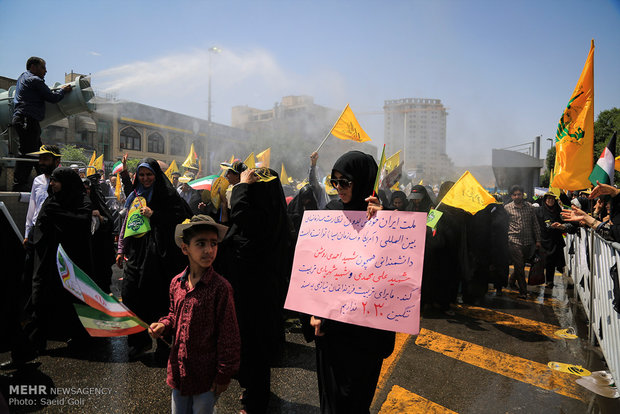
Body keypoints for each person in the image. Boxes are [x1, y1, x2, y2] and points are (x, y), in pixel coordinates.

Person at [305, 151, 395, 414]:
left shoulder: (383, 218)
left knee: (355, 401)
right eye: (335, 182)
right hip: (331, 328)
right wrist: (314, 310)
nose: (338, 188)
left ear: (363, 181)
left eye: (345, 182)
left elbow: (397, 270)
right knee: (331, 401)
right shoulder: (331, 213)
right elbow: (318, 268)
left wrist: (383, 223)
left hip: (366, 332)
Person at [214, 166, 294, 414]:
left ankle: (257, 402)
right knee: (248, 347)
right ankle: (252, 389)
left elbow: (242, 223)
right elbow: (233, 232)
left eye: (254, 188)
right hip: (250, 297)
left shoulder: (261, 221)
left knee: (255, 349)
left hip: (256, 298)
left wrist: (240, 188)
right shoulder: (267, 217)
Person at [150, 215, 240, 414]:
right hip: (179, 372)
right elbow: (174, 314)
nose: (209, 250)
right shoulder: (176, 283)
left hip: (206, 377)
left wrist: (223, 374)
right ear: (185, 248)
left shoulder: (221, 289)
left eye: (213, 243)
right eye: (200, 243)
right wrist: (164, 324)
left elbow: (229, 336)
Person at [116, 158, 193, 359]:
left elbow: (180, 217)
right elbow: (127, 224)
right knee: (132, 295)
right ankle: (138, 341)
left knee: (159, 298)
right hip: (137, 256)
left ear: (156, 175)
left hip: (160, 257)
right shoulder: (135, 196)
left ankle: (164, 342)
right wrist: (121, 249)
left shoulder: (168, 195)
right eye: (141, 175)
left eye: (149, 174)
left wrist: (154, 214)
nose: (145, 178)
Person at [28, 167, 93, 351]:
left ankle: (79, 339)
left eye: (56, 180)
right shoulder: (51, 201)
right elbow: (41, 226)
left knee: (73, 300)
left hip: (71, 262)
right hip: (48, 262)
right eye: (51, 180)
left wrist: (58, 215)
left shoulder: (82, 201)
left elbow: (81, 221)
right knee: (40, 299)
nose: (52, 184)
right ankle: (34, 344)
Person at [11, 57, 72, 191]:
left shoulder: (23, 77)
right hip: (28, 120)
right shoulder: (35, 80)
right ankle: (19, 187)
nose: (46, 71)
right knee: (28, 153)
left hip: (24, 119)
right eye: (43, 67)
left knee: (39, 153)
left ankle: (47, 182)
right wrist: (63, 91)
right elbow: (52, 97)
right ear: (33, 67)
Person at [504, 185, 541, 299]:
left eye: (519, 194)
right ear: (511, 196)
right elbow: (504, 225)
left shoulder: (529, 207)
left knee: (520, 264)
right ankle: (523, 291)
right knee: (519, 266)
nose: (517, 196)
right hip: (513, 241)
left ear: (522, 195)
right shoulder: (507, 208)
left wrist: (538, 240)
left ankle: (511, 280)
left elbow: (535, 224)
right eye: (514, 194)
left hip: (528, 241)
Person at [535, 193, 571, 288]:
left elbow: (564, 221)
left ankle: (549, 281)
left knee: (551, 263)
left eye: (552, 199)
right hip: (543, 240)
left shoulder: (558, 211)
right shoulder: (539, 211)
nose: (550, 201)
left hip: (555, 241)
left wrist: (559, 226)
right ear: (545, 200)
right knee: (541, 262)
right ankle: (537, 280)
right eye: (548, 199)